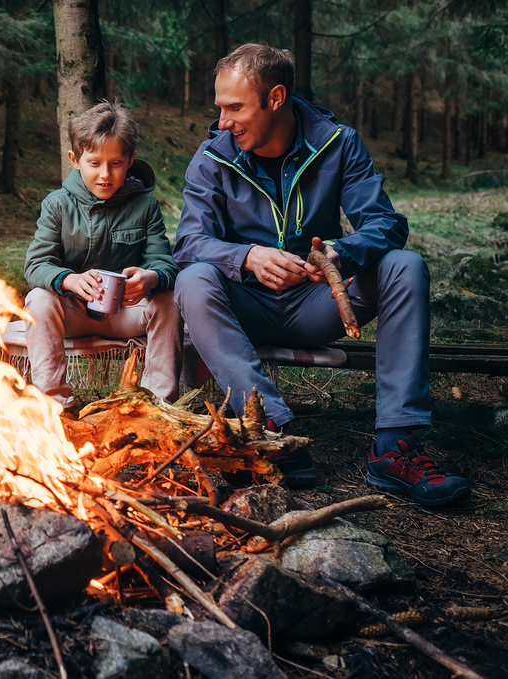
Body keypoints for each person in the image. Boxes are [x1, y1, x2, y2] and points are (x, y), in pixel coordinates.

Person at [174, 44, 469, 506]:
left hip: (318, 304)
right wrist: (248, 256)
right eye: (220, 108)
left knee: (405, 267)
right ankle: (272, 430)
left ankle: (396, 448)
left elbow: (386, 224)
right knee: (192, 280)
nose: (224, 121)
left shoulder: (337, 143)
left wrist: (339, 253)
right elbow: (189, 243)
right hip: (243, 307)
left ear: (275, 98)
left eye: (235, 108)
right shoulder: (213, 157)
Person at [24, 101, 181, 413]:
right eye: (94, 163)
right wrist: (68, 280)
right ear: (75, 160)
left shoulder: (145, 205)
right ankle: (54, 406)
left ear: (131, 160)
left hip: (126, 313)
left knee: (169, 299)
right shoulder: (57, 205)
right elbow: (35, 265)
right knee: (38, 299)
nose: (105, 175)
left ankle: (157, 406)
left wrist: (151, 277)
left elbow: (165, 263)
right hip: (74, 314)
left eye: (116, 164)